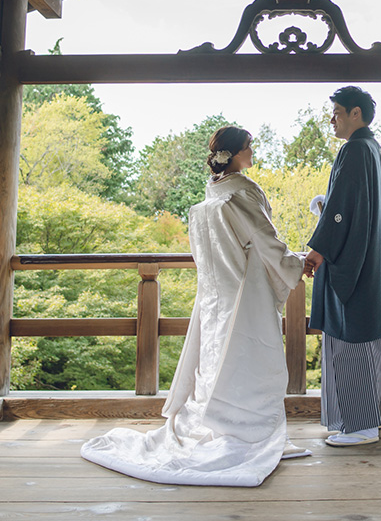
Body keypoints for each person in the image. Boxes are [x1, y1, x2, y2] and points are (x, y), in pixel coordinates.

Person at [80, 126, 309, 486]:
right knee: (252, 359)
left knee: (216, 359)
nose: (253, 152)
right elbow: (266, 241)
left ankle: (217, 424)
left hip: (217, 294)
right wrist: (297, 263)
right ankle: (245, 433)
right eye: (249, 147)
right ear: (234, 154)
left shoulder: (212, 194)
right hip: (245, 291)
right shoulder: (243, 192)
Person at [303, 86, 381, 446]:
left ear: (356, 113)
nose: (332, 118)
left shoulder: (353, 149)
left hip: (353, 262)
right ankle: (370, 417)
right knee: (372, 336)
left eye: (337, 112)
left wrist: (319, 250)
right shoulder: (376, 150)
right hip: (376, 261)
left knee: (349, 337)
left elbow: (343, 213)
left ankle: (360, 426)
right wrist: (328, 205)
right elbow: (355, 204)